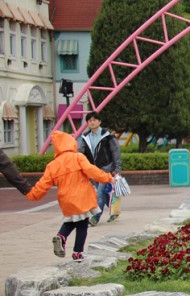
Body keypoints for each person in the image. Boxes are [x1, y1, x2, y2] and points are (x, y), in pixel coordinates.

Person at [26, 131, 112, 261]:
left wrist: (32, 195)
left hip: (66, 199)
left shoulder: (52, 165)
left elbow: (43, 184)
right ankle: (78, 252)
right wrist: (108, 178)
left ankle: (61, 236)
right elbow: (92, 171)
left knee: (71, 220)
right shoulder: (78, 157)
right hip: (82, 197)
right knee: (82, 225)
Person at [77, 112, 122, 225]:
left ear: (99, 121)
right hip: (93, 170)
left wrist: (117, 168)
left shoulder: (108, 136)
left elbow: (116, 152)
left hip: (106, 169)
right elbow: (80, 152)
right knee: (103, 194)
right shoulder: (85, 137)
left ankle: (95, 218)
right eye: (89, 120)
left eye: (94, 120)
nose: (92, 122)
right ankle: (114, 211)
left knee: (100, 193)